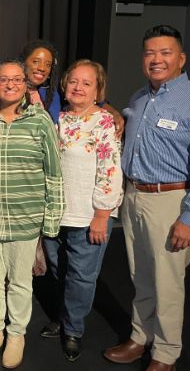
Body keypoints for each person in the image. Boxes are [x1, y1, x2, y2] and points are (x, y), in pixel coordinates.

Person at [104, 25, 190, 371]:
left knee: (168, 284)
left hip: (172, 202)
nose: (157, 59)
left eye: (165, 52)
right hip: (134, 196)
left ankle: (166, 353)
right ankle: (140, 338)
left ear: (181, 58)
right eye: (150, 53)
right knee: (140, 275)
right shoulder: (140, 98)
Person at [0, 59, 64, 368]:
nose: (10, 84)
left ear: (25, 84)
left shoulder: (40, 121)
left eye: (17, 79)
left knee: (21, 282)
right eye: (4, 80)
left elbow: (54, 173)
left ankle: (16, 333)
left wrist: (51, 220)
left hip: (26, 216)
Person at [40, 59, 123, 362]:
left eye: (86, 83)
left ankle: (73, 328)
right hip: (55, 213)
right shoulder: (58, 120)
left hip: (89, 215)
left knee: (81, 277)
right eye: (73, 81)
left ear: (98, 89)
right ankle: (64, 317)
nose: (77, 87)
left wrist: (102, 214)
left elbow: (111, 171)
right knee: (58, 270)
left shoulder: (104, 122)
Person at [19, 39, 125, 135]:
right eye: (35, 62)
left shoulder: (53, 93)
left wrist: (114, 113)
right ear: (23, 62)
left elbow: (93, 99)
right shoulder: (10, 91)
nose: (42, 68)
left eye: (48, 64)